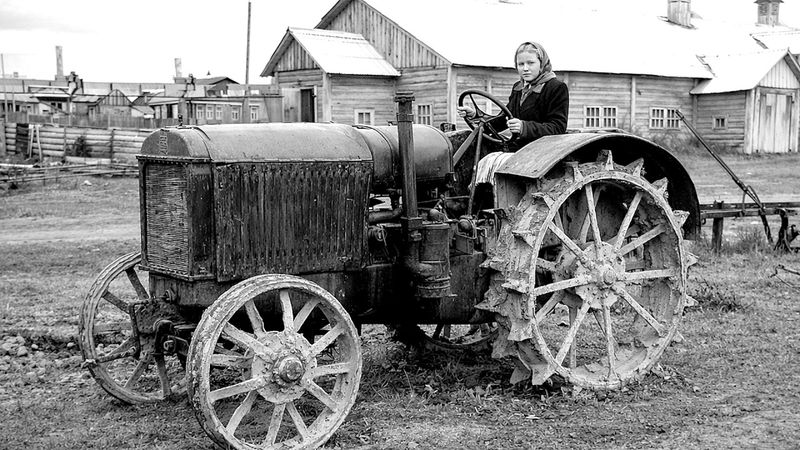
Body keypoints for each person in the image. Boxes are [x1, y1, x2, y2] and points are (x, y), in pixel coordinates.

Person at [457, 41, 569, 150]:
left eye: (530, 63)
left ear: (542, 64)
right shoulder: (518, 87)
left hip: (542, 150)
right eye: (521, 64)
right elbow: (503, 119)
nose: (525, 68)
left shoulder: (556, 88)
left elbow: (558, 128)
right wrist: (476, 116)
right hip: (518, 147)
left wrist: (524, 127)